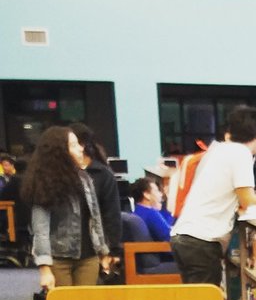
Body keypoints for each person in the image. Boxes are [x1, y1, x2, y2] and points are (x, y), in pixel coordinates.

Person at [170, 105, 256, 287]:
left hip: (185, 238)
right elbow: (247, 201)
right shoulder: (241, 154)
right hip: (201, 241)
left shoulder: (218, 150)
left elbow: (241, 195)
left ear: (229, 131)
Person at [23, 126, 112, 287]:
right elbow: (40, 229)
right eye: (74, 145)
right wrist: (44, 268)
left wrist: (103, 251)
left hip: (89, 257)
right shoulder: (44, 183)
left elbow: (95, 217)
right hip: (59, 260)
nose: (81, 149)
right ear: (59, 151)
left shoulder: (85, 179)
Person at [69, 123, 123, 263]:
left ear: (82, 145)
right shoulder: (62, 174)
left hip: (96, 246)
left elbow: (112, 213)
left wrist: (114, 249)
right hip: (66, 246)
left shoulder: (102, 174)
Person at [130, 177, 174, 241]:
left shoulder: (138, 212)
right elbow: (169, 237)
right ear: (146, 195)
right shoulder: (151, 213)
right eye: (157, 191)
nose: (161, 194)